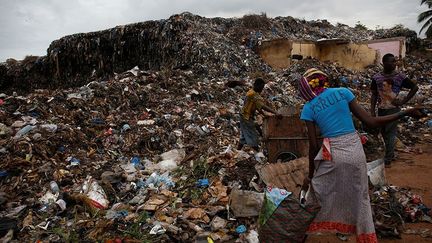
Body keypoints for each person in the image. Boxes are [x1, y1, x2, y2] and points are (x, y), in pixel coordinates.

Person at [298, 68, 424, 243]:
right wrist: (405, 112)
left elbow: (313, 146)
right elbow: (371, 122)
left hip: (333, 153)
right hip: (355, 150)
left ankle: (301, 232)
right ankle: (365, 236)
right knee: (360, 197)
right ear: (323, 80)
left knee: (316, 192)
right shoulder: (343, 92)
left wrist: (311, 176)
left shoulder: (308, 107)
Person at [371, 53, 418, 167]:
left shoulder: (400, 76)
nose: (394, 64)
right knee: (383, 133)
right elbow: (374, 94)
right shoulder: (376, 77)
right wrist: (372, 110)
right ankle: (388, 154)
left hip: (394, 110)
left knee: (391, 133)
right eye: (391, 62)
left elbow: (414, 87)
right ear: (384, 63)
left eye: (394, 62)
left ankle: (388, 159)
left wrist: (403, 101)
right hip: (381, 109)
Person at [237, 77, 280, 151]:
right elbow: (263, 106)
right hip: (246, 117)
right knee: (253, 137)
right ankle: (258, 157)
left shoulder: (251, 92)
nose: (262, 89)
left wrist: (264, 114)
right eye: (261, 87)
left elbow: (257, 107)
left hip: (244, 116)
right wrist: (275, 112)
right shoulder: (253, 95)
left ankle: (237, 151)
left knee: (244, 136)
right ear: (257, 86)